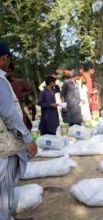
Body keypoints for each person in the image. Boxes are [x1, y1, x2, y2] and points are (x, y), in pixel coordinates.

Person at [0, 43, 37, 219]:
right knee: (4, 191)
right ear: (3, 58)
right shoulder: (0, 82)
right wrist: (28, 139)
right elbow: (10, 116)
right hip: (3, 148)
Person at [6, 63, 35, 130]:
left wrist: (22, 96)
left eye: (8, 71)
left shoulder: (19, 82)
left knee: (23, 127)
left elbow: (30, 89)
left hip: (18, 108)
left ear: (12, 71)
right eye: (4, 71)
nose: (6, 73)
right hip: (6, 111)